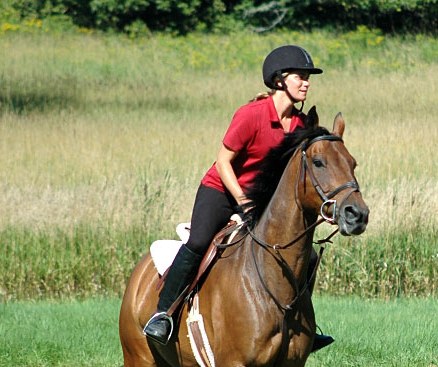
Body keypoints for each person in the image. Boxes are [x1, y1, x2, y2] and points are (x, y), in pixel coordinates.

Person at [143, 45, 334, 351]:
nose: (307, 82)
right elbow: (223, 161)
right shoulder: (251, 115)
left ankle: (299, 324)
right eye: (301, 76)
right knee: (199, 241)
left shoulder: (299, 125)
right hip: (221, 189)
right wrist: (242, 201)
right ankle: (163, 313)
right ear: (280, 80)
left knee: (307, 255)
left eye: (309, 77)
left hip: (260, 198)